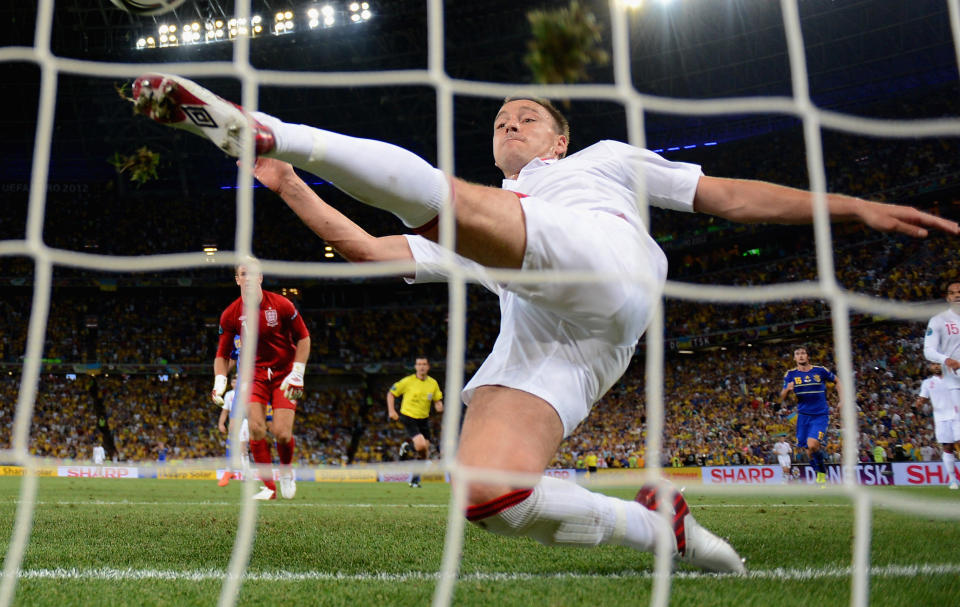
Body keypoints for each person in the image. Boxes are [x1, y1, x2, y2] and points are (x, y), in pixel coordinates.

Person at [129, 72, 959, 574]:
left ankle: (278, 126)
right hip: (558, 341)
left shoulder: (599, 163)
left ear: (559, 138)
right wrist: (285, 187)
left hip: (608, 269)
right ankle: (659, 526)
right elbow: (367, 248)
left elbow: (728, 195)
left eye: (526, 117)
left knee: (442, 202)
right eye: (500, 122)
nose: (509, 125)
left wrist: (850, 206)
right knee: (486, 493)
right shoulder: (496, 224)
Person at [213, 262, 311, 500]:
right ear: (237, 280)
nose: (248, 278)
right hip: (253, 375)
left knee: (281, 433)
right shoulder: (231, 314)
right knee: (256, 429)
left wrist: (297, 372)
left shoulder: (281, 304)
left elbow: (304, 338)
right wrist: (219, 381)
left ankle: (286, 472)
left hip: (283, 373)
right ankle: (269, 487)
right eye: (243, 274)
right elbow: (222, 355)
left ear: (261, 277)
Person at [779, 346, 842, 486]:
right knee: (808, 451)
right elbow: (782, 396)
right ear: (794, 358)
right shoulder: (790, 374)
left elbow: (838, 381)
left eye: (803, 353)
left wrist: (842, 400)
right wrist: (787, 390)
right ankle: (819, 474)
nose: (800, 356)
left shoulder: (820, 370)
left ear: (808, 356)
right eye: (797, 354)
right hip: (803, 416)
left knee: (812, 444)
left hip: (820, 415)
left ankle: (822, 472)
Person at [922, 279, 960, 483]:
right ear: (948, 298)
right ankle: (953, 480)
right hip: (952, 385)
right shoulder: (938, 321)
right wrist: (947, 359)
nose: (957, 295)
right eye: (952, 293)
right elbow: (928, 350)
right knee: (948, 444)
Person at [387, 356, 444, 488]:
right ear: (415, 367)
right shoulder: (408, 381)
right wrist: (391, 411)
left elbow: (437, 399)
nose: (422, 366)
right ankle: (407, 447)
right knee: (420, 445)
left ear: (428, 366)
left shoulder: (433, 383)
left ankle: (414, 480)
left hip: (423, 419)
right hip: (409, 416)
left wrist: (438, 405)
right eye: (419, 364)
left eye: (424, 364)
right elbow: (391, 393)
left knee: (424, 453)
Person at [915, 362, 960, 490]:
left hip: (957, 416)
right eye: (933, 365)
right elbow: (923, 397)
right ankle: (953, 481)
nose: (936, 367)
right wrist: (919, 403)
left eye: (938, 364)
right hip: (941, 419)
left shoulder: (954, 378)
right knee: (947, 447)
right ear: (930, 367)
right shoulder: (927, 383)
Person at [217, 375, 251, 487]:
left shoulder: (246, 393)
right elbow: (225, 411)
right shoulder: (229, 395)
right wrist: (221, 423)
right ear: (231, 384)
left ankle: (246, 474)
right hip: (233, 422)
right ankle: (230, 471)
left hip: (245, 421)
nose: (235, 383)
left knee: (243, 448)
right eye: (233, 382)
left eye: (238, 381)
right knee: (230, 446)